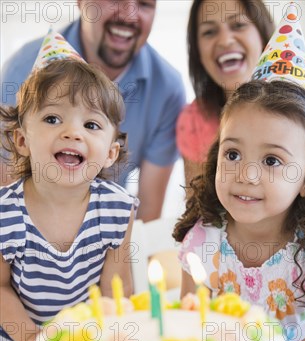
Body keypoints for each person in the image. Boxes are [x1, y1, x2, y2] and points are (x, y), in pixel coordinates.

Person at [174, 79, 305, 341]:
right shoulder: (203, 241)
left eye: (272, 160)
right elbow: (191, 321)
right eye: (233, 154)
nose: (246, 175)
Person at [0, 49, 138, 341]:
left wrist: (113, 340)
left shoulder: (117, 208)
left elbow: (115, 288)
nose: (73, 133)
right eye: (52, 118)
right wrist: (32, 340)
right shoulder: (6, 214)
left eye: (91, 125)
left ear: (110, 153)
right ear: (22, 141)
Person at [0, 0, 186, 221]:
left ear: (112, 153)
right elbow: (8, 192)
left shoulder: (167, 88)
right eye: (52, 118)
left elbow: (147, 215)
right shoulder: (21, 69)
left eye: (145, 4)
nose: (129, 14)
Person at [176, 0, 274, 186]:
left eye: (238, 25)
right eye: (209, 32)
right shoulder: (194, 120)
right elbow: (196, 209)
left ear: (263, 35)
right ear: (197, 50)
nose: (225, 41)